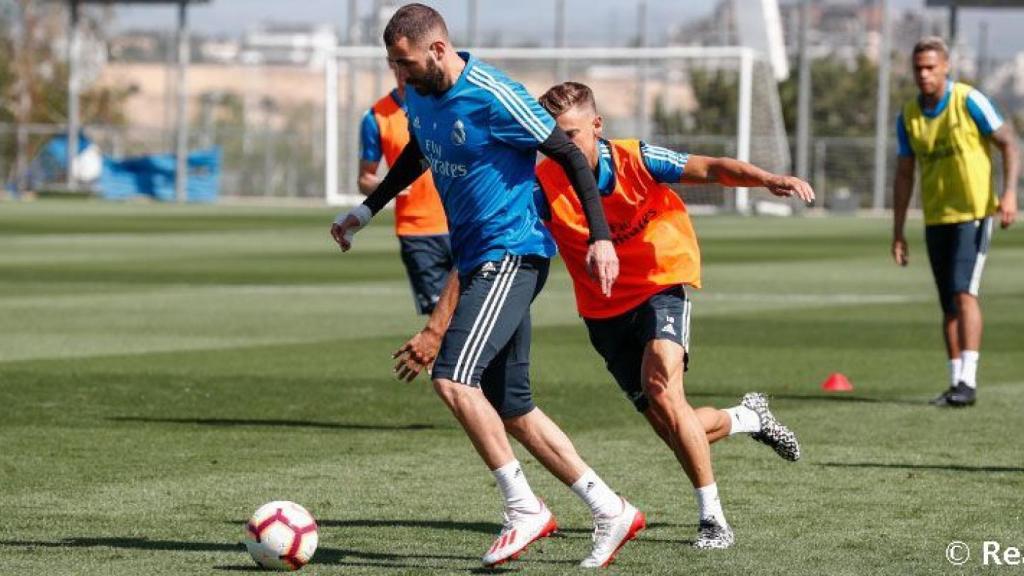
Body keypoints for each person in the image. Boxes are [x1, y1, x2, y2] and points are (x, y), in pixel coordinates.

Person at [394, 81, 813, 550]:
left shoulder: (637, 158)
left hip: (660, 283)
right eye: (551, 138)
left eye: (570, 135)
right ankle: (746, 418)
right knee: (670, 424)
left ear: (597, 126)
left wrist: (766, 178)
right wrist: (440, 319)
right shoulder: (543, 185)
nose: (559, 147)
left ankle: (713, 518)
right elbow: (492, 244)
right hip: (603, 310)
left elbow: (710, 168)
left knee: (663, 388)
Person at [331, 5, 644, 569]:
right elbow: (419, 153)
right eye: (391, 64)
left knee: (452, 378)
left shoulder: (496, 95)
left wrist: (600, 238)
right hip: (478, 259)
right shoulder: (420, 99)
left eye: (404, 63)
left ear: (437, 50)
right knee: (512, 407)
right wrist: (366, 209)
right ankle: (610, 508)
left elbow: (568, 154)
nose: (398, 75)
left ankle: (524, 509)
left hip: (511, 253)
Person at [892, 37, 1018, 407]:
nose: (924, 74)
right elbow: (904, 174)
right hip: (936, 217)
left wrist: (1009, 194)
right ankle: (954, 383)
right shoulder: (909, 116)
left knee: (965, 292)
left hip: (974, 214)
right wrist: (898, 231)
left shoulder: (968, 100)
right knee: (947, 300)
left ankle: (969, 380)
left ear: (946, 66)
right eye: (918, 68)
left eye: (931, 67)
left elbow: (1009, 143)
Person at [359, 63, 452, 315]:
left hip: (461, 221)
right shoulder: (376, 117)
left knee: (473, 312)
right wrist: (386, 187)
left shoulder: (445, 103)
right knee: (437, 318)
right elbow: (364, 178)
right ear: (391, 64)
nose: (404, 70)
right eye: (398, 63)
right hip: (417, 230)